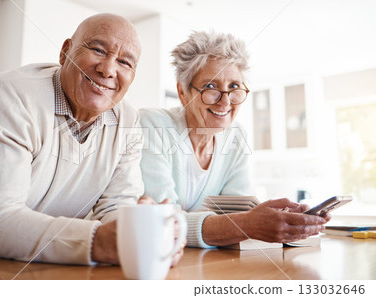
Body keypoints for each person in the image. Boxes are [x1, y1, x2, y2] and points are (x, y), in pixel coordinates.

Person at [0, 13, 167, 266]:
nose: (108, 70)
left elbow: (115, 209)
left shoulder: (127, 120)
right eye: (97, 49)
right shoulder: (11, 95)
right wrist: (99, 241)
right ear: (65, 52)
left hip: (34, 263)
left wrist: (137, 228)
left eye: (125, 63)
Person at [140, 31, 330, 248]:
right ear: (182, 92)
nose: (225, 102)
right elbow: (163, 222)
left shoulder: (236, 136)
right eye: (210, 87)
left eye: (234, 87)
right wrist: (244, 224)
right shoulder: (153, 125)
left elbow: (237, 214)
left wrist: (283, 217)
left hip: (212, 263)